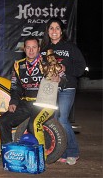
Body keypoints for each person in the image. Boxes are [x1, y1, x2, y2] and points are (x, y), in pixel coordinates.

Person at [0, 36, 57, 165]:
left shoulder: (48, 63)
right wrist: (13, 102)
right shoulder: (18, 65)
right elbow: (16, 87)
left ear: (39, 49)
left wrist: (59, 79)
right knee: (3, 121)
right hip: (26, 102)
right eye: (28, 47)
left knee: (34, 124)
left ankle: (41, 157)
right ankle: (6, 154)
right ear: (24, 49)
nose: (31, 50)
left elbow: (63, 77)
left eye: (34, 47)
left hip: (45, 103)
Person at [42, 17, 86, 165]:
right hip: (50, 90)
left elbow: (81, 68)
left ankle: (73, 151)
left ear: (62, 31)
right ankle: (60, 151)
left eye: (57, 28)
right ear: (47, 31)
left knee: (62, 119)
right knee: (53, 120)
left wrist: (66, 70)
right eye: (51, 28)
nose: (54, 31)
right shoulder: (43, 50)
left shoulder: (70, 47)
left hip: (67, 88)